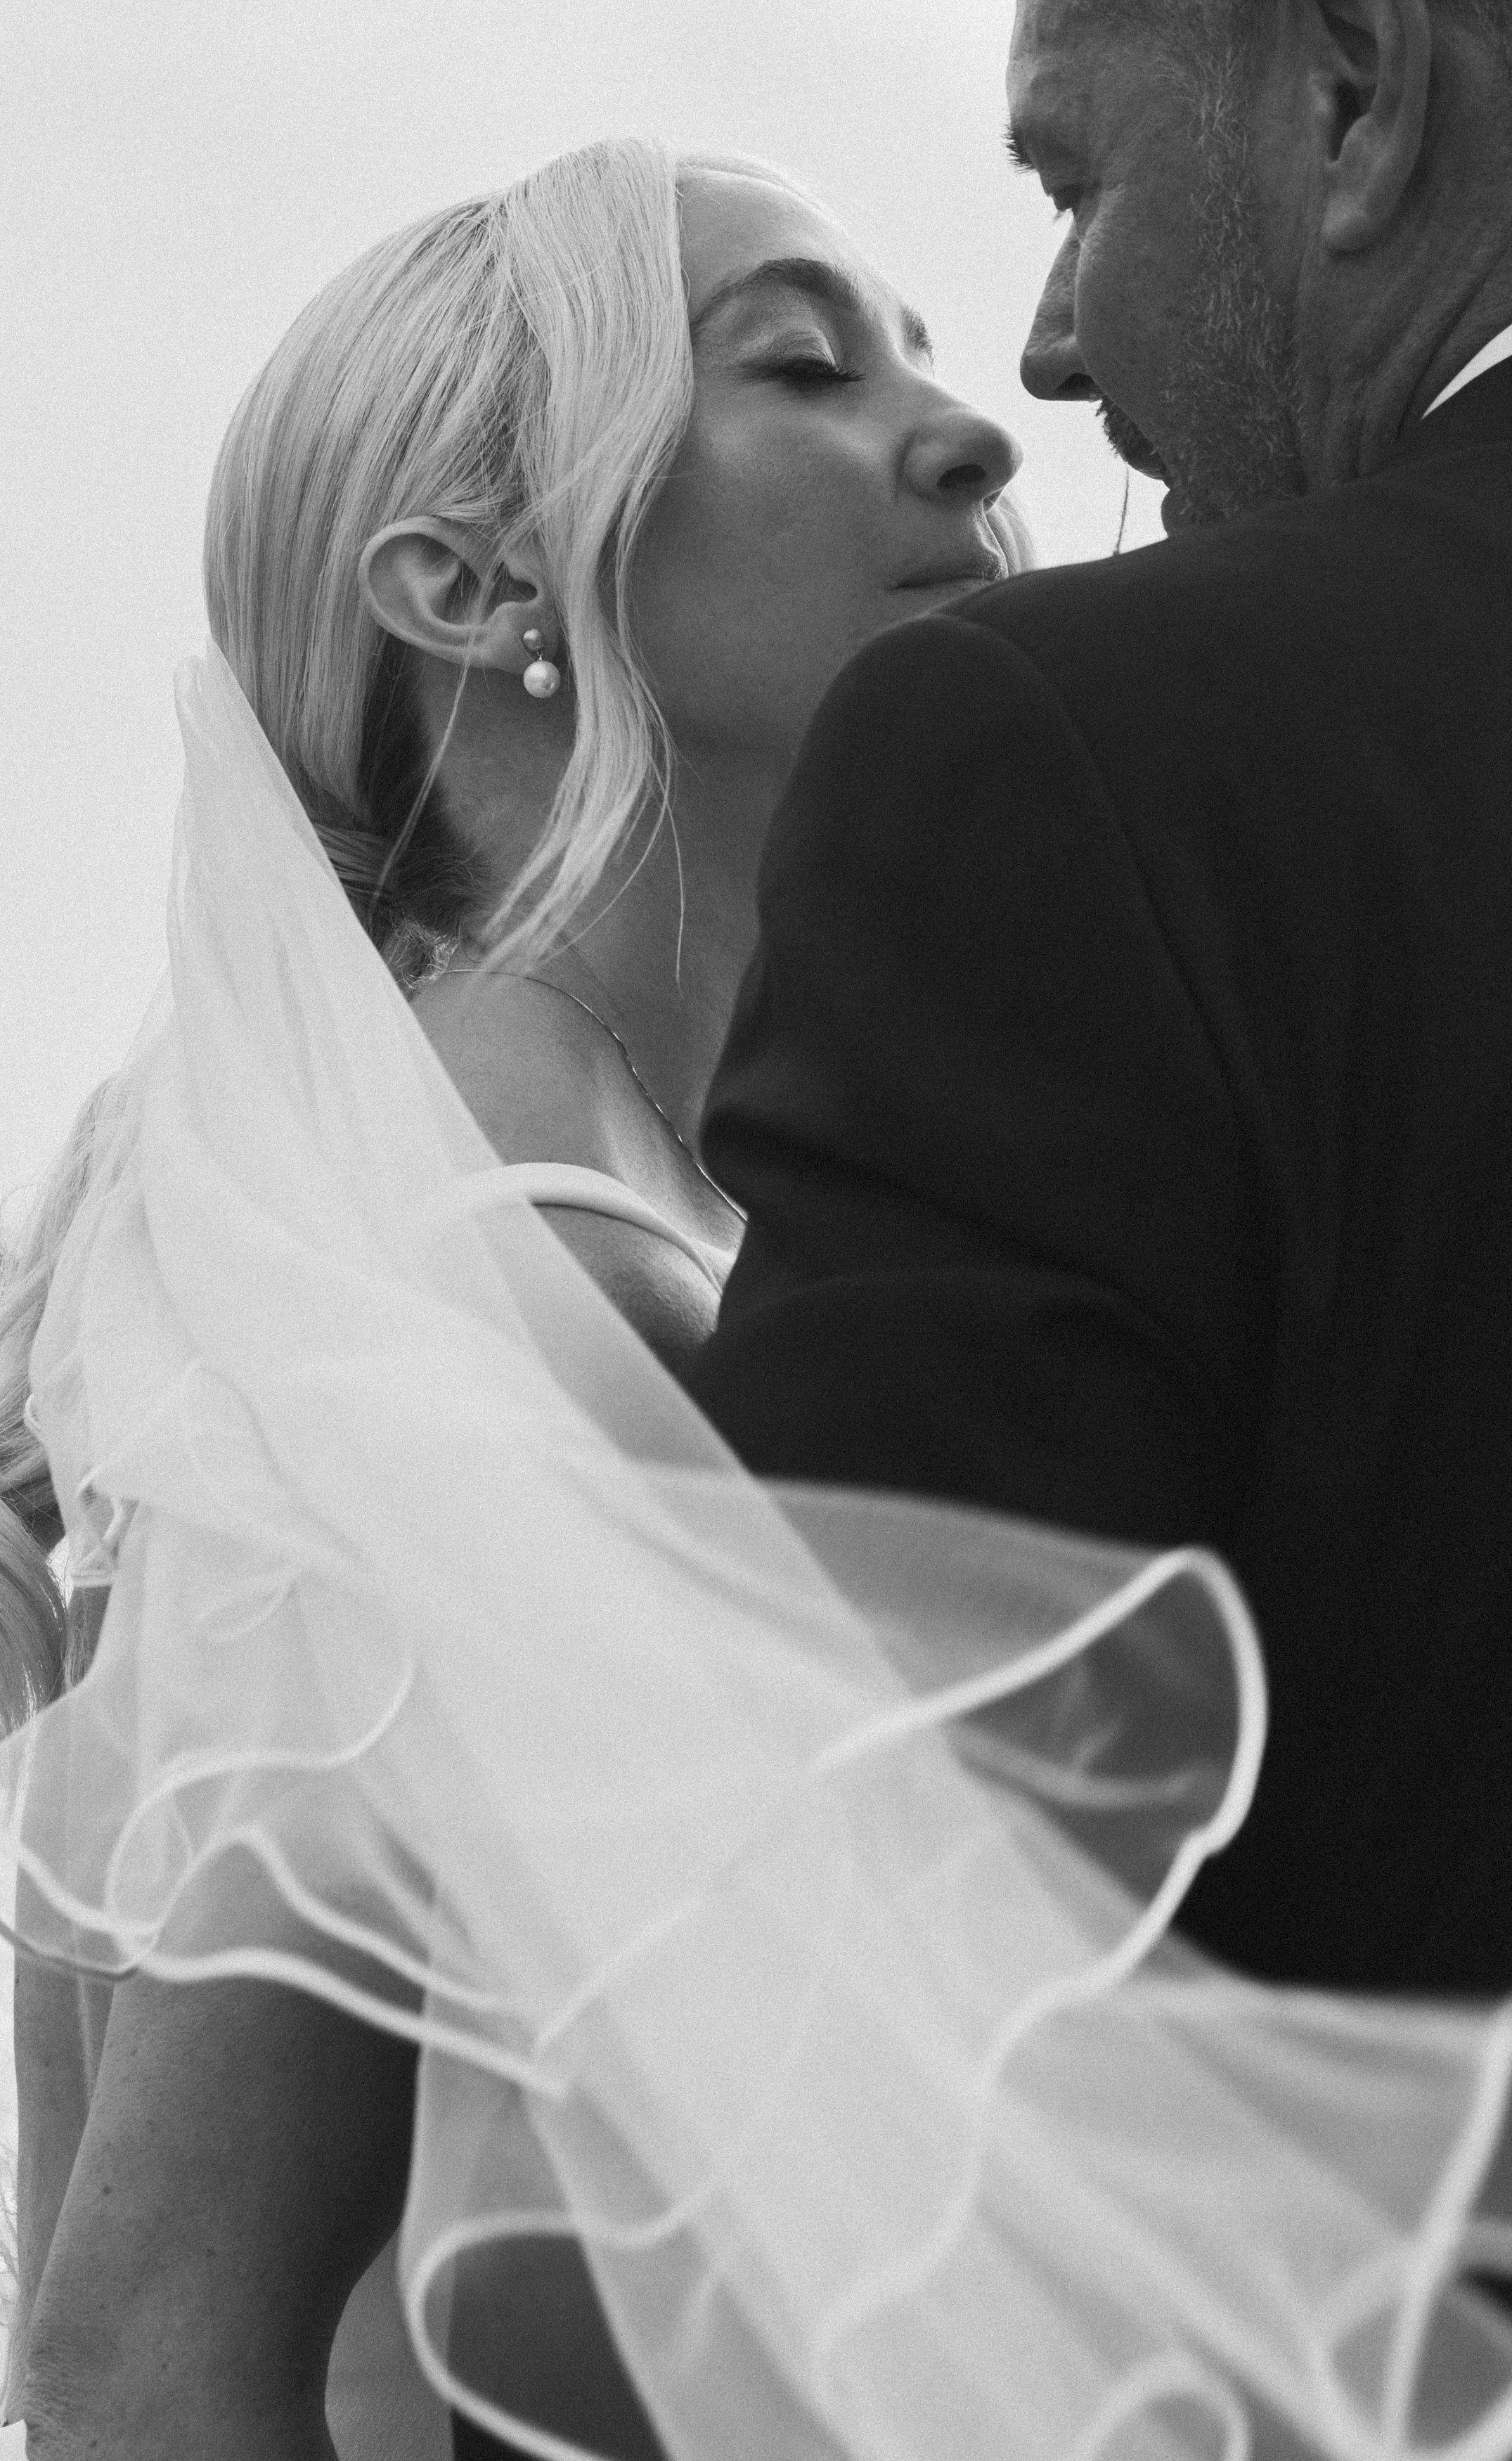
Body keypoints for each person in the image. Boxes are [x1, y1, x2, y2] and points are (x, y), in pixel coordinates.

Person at [683, 2, 1512, 2454]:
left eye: (1078, 185)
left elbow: (860, 2040)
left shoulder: (1088, 755)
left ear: (1355, 98)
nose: (1050, 351)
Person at [0, 136, 1027, 2460]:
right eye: (805, 368)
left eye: (925, 356)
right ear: (470, 587)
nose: (970, 437)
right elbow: (146, 2347)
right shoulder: (468, 1250)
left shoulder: (561, 1180)